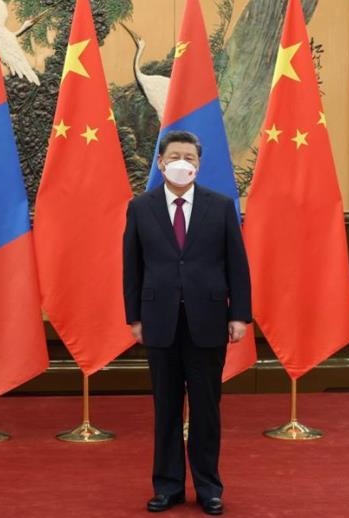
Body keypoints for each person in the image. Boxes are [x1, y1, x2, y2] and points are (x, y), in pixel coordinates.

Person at [122, 131, 251, 515]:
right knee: (166, 408)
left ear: (198, 164)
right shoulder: (140, 207)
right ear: (161, 162)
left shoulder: (221, 206)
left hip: (208, 320)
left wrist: (239, 314)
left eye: (189, 157)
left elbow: (237, 265)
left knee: (206, 409)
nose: (182, 162)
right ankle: (168, 486)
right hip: (159, 321)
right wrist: (134, 317)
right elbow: (132, 266)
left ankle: (209, 487)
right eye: (174, 156)